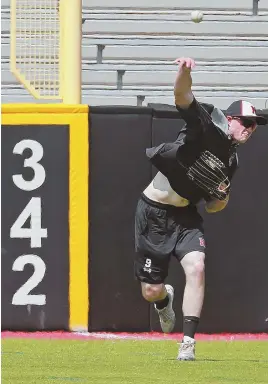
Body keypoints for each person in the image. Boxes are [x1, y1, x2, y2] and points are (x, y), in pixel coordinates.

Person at [134, 57, 267, 361]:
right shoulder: (206, 125)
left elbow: (215, 207)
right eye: (246, 122)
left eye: (255, 126)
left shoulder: (231, 162)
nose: (250, 129)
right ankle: (163, 299)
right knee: (150, 291)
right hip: (153, 213)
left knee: (197, 267)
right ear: (230, 119)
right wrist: (183, 72)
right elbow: (183, 97)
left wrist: (222, 197)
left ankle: (188, 343)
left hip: (185, 218)